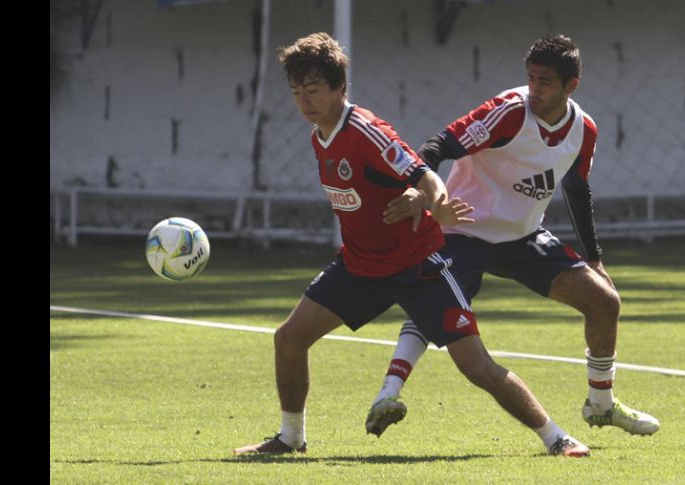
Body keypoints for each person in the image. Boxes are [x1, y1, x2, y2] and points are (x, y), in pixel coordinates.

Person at [234, 32, 590, 457]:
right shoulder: (320, 136)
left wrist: (433, 203)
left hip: (418, 267)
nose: (304, 101)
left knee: (477, 366)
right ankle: (290, 437)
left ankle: (556, 437)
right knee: (289, 338)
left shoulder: (368, 133)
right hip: (360, 267)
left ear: (339, 88)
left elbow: (425, 173)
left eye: (313, 91)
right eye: (296, 92)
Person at [366, 34, 660, 439]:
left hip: (523, 237)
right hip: (463, 230)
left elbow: (577, 187)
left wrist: (594, 259)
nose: (534, 90)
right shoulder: (507, 112)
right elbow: (438, 144)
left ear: (571, 86)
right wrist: (423, 191)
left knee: (605, 301)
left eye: (545, 82)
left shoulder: (583, 130)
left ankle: (601, 405)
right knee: (436, 307)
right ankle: (387, 395)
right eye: (531, 78)